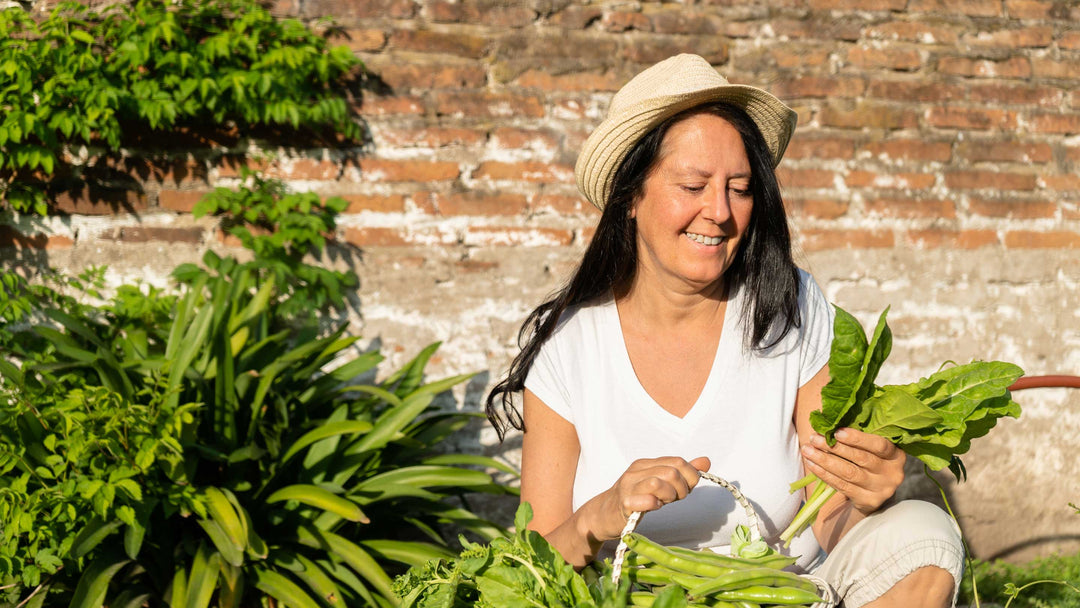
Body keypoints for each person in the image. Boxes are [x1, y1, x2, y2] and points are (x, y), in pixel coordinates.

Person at [485, 54, 965, 608]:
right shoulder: (570, 348)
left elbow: (829, 517)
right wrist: (600, 513)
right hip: (637, 598)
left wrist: (864, 495)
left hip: (788, 592)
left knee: (922, 532)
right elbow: (533, 561)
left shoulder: (790, 306)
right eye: (692, 185)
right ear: (631, 197)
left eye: (739, 188)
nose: (719, 211)